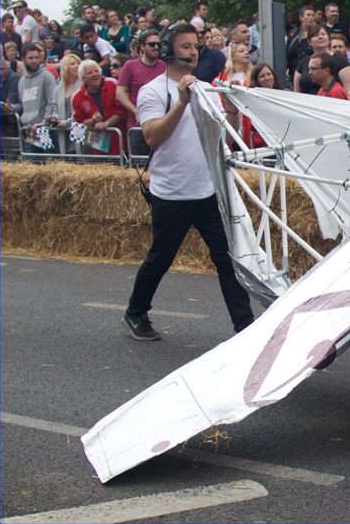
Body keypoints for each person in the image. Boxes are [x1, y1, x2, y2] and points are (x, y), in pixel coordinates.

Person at [122, 23, 254, 342]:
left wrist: (232, 113)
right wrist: (181, 102)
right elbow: (152, 137)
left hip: (207, 190)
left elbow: (225, 135)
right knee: (160, 258)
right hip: (171, 193)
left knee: (227, 259)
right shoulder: (153, 91)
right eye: (185, 46)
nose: (193, 52)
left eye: (196, 46)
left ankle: (245, 326)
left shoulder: (206, 89)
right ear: (169, 51)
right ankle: (135, 312)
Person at [71, 58, 127, 157]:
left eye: (96, 71)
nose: (94, 74)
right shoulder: (77, 97)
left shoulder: (112, 84)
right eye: (90, 73)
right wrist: (92, 121)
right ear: (83, 78)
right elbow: (79, 123)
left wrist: (106, 123)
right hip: (97, 148)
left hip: (120, 142)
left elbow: (121, 111)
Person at [115, 30, 165, 133]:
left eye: (158, 44)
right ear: (142, 46)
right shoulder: (130, 65)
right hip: (136, 124)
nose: (156, 47)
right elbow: (119, 93)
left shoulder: (165, 66)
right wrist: (135, 111)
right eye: (152, 44)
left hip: (160, 123)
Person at [17, 42, 57, 158]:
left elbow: (51, 102)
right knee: (30, 163)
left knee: (52, 163)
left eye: (36, 57)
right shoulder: (21, 81)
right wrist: (12, 108)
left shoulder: (47, 76)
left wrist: (43, 123)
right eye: (30, 58)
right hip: (30, 130)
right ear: (23, 59)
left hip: (45, 129)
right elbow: (21, 104)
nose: (34, 61)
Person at [294, 24, 350, 96]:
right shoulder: (303, 62)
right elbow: (296, 93)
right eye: (316, 35)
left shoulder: (341, 61)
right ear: (309, 42)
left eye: (323, 34)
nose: (320, 37)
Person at [43, 52, 82, 155]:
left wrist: (67, 122)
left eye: (78, 63)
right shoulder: (58, 89)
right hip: (64, 135)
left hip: (79, 134)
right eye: (72, 64)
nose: (76, 66)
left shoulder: (84, 85)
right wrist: (54, 118)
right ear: (65, 68)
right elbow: (56, 111)